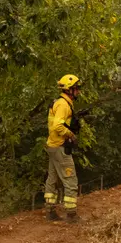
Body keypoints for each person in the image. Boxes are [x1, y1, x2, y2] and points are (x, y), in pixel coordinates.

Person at [44, 74, 81, 222]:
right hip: (59, 147)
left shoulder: (59, 102)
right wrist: (71, 134)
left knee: (52, 179)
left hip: (52, 145)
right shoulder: (64, 105)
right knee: (70, 179)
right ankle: (71, 214)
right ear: (69, 90)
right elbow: (58, 125)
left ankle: (50, 211)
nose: (78, 91)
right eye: (76, 89)